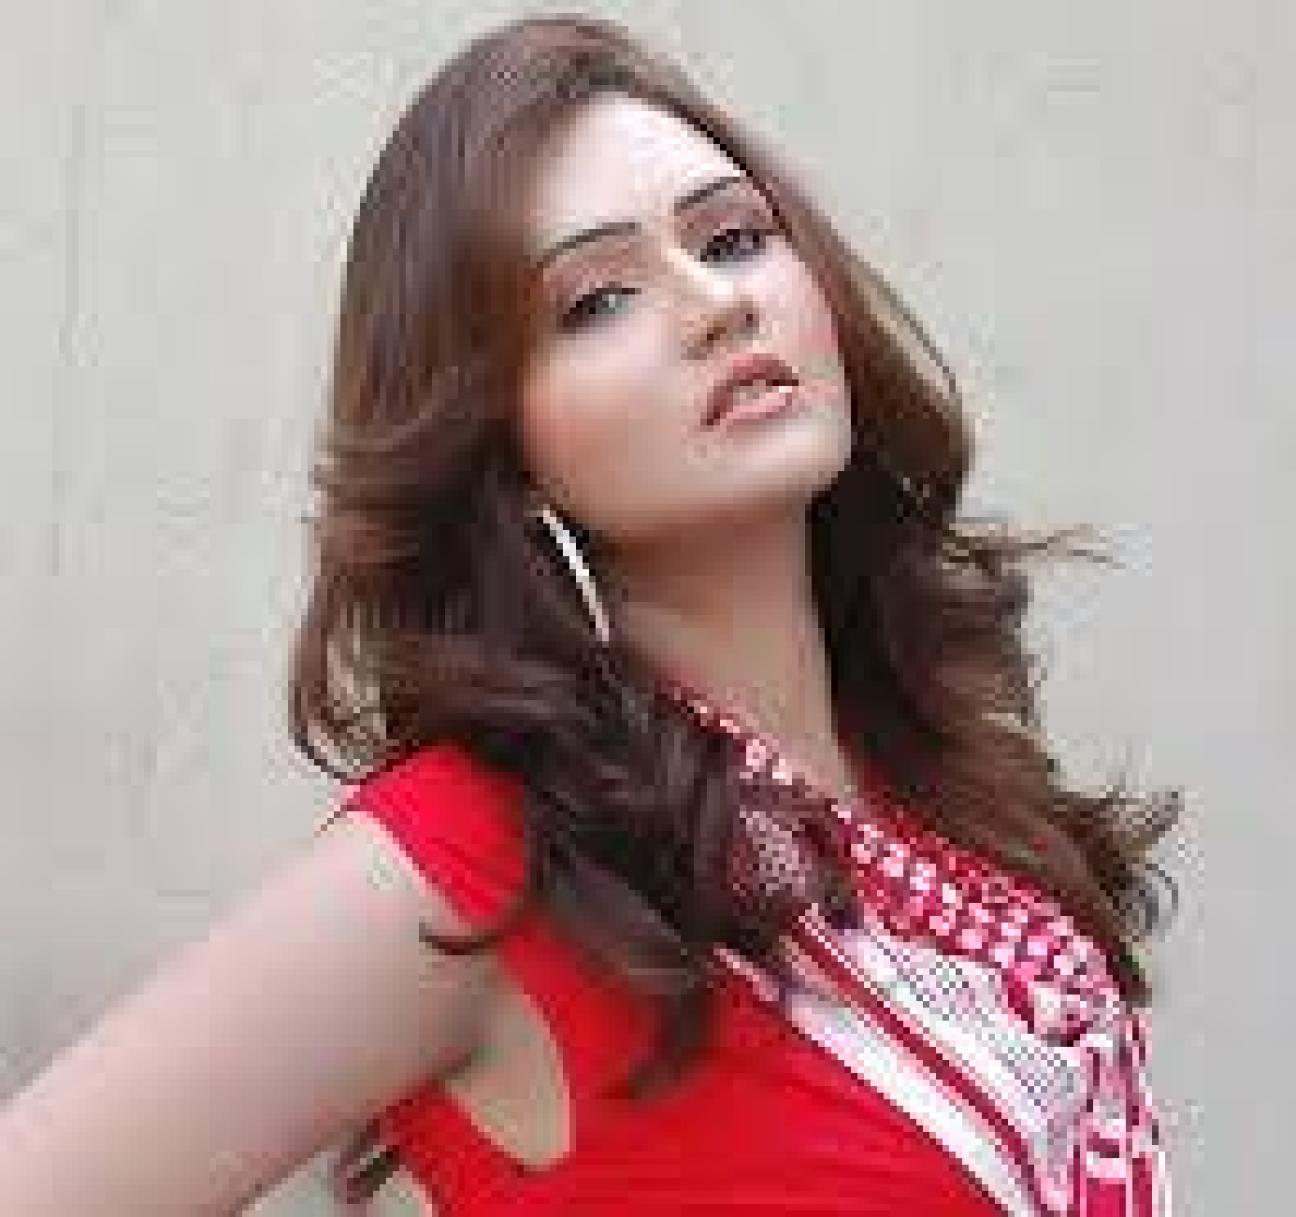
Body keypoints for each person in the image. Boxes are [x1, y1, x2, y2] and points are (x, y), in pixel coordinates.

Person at [0, 13, 1182, 1215]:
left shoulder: (943, 799)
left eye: (734, 238)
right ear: (501, 444)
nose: (715, 303)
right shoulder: (481, 855)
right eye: (598, 301)